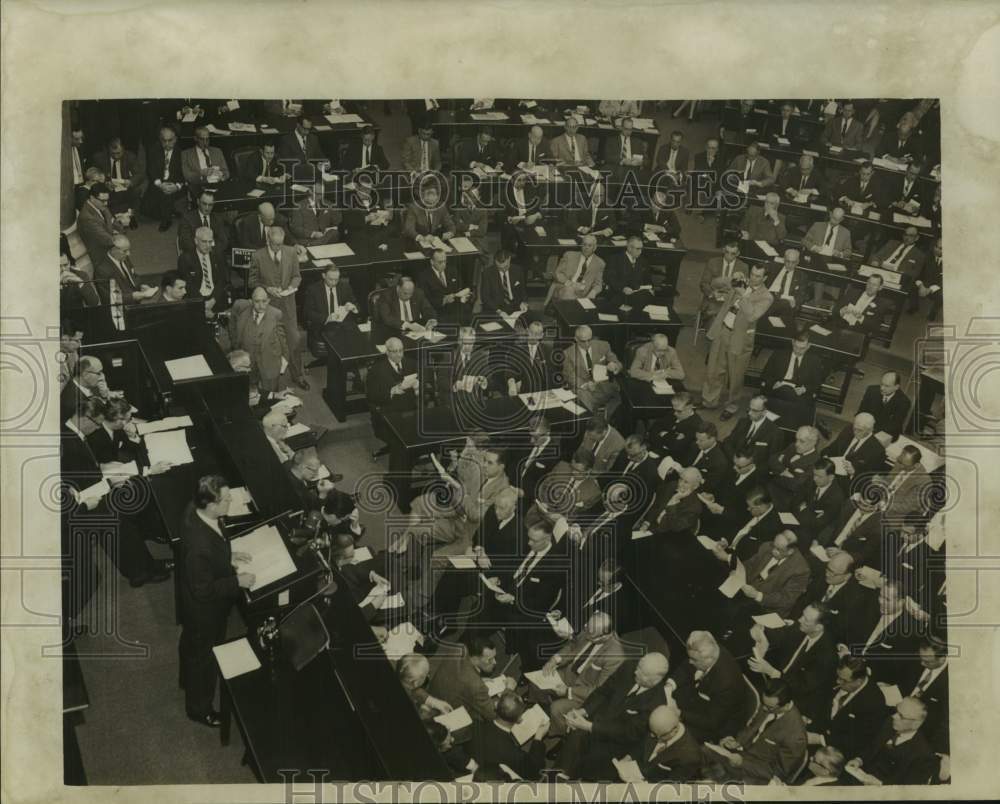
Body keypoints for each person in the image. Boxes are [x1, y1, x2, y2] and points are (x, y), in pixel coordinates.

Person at [178, 476, 255, 727]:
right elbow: (203, 590)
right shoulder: (199, 546)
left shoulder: (196, 511)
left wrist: (228, 556)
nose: (232, 500)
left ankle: (185, 679)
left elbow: (214, 543)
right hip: (204, 611)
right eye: (226, 499)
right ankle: (199, 709)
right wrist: (237, 582)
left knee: (191, 645)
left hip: (192, 604)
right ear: (211, 505)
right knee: (205, 657)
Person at [555, 653, 671, 781]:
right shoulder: (630, 666)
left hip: (615, 744)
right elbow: (604, 691)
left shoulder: (657, 704)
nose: (636, 672)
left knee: (589, 760)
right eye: (638, 667)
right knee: (574, 740)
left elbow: (628, 732)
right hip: (597, 721)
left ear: (656, 680)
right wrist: (583, 711)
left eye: (642, 673)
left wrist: (591, 727)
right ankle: (561, 776)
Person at [533, 612, 625, 736]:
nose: (586, 634)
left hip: (584, 690)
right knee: (537, 680)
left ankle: (559, 732)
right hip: (569, 673)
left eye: (590, 635)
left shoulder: (615, 656)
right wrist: (555, 659)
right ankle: (543, 710)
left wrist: (568, 691)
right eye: (586, 628)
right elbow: (572, 645)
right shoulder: (590, 629)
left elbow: (599, 691)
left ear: (605, 637)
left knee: (556, 709)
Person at [702, 263, 774, 420]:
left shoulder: (766, 296)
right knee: (714, 369)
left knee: (735, 376)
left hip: (740, 339)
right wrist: (732, 277)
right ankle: (709, 401)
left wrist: (743, 294)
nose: (753, 278)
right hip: (723, 331)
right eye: (752, 274)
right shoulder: (741, 282)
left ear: (765, 278)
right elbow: (714, 284)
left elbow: (752, 315)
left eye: (758, 276)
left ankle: (732, 406)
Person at [748, 603, 839, 725]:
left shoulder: (827, 657)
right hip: (779, 682)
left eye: (806, 619)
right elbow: (782, 635)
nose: (799, 620)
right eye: (802, 615)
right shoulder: (802, 628)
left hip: (797, 698)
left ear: (818, 627)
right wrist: (761, 631)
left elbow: (802, 686)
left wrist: (771, 672)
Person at [709, 682, 807, 784]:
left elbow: (777, 773)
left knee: (713, 780)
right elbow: (752, 728)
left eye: (769, 707)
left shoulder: (796, 735)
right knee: (703, 752)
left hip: (757, 774)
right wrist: (737, 742)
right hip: (741, 755)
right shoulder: (769, 705)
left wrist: (743, 763)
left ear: (786, 706)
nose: (764, 708)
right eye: (763, 703)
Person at [249, 226, 307, 390]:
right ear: (268, 240)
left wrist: (292, 286)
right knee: (267, 343)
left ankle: (298, 375)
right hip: (267, 307)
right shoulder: (257, 256)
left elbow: (297, 276)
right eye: (274, 244)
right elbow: (252, 282)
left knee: (294, 341)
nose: (278, 247)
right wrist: (267, 289)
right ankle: (264, 379)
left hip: (288, 307)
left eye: (280, 244)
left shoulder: (290, 252)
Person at [668, 631, 747, 743]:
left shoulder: (727, 683)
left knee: (675, 736)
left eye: (694, 660)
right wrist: (669, 685)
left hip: (717, 723)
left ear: (709, 659)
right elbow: (687, 666)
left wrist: (680, 714)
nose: (690, 661)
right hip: (702, 698)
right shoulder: (710, 649)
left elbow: (712, 722)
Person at [808, 656, 886, 762]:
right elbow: (822, 704)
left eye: (843, 680)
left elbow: (858, 740)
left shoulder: (874, 702)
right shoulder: (841, 676)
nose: (838, 681)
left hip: (840, 754)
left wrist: (821, 739)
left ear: (858, 681)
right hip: (817, 736)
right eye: (838, 677)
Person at [847, 697, 936, 785]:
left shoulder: (923, 755)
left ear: (916, 724)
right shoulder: (889, 724)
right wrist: (859, 760)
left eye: (901, 716)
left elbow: (908, 789)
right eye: (896, 711)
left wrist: (880, 784)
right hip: (862, 773)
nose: (894, 716)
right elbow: (873, 746)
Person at [427, 635, 513, 722]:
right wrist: (508, 690)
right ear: (475, 659)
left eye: (494, 657)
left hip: (433, 694)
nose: (495, 662)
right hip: (446, 714)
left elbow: (461, 675)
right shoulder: (476, 686)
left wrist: (478, 679)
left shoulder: (460, 648)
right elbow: (492, 714)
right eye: (489, 660)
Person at [469, 691, 549, 780]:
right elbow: (535, 771)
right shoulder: (514, 754)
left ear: (496, 705)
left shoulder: (477, 726)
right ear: (519, 720)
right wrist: (538, 736)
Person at [760, 328, 826, 426]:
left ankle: (779, 424)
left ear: (808, 346)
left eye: (802, 348)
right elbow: (765, 375)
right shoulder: (779, 354)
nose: (798, 351)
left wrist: (804, 389)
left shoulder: (814, 361)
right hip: (779, 388)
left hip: (798, 392)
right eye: (796, 347)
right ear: (792, 342)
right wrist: (773, 383)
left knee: (790, 404)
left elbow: (817, 384)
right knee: (789, 400)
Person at [228, 287, 289, 393]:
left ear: (268, 300)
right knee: (250, 392)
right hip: (248, 363)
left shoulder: (276, 314)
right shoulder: (242, 311)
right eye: (257, 302)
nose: (261, 305)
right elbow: (233, 327)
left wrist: (284, 360)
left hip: (269, 362)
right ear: (251, 301)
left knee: (270, 394)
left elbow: (283, 340)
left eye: (264, 301)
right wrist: (236, 348)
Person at [366, 337, 419, 456]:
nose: (399, 354)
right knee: (402, 437)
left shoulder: (411, 363)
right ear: (387, 352)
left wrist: (417, 387)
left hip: (410, 408)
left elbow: (425, 383)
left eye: (401, 350)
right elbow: (371, 396)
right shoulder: (376, 370)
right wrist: (392, 391)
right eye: (395, 351)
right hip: (389, 410)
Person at [560, 324, 623, 417]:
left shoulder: (603, 345)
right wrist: (585, 385)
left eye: (589, 340)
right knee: (584, 399)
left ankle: (606, 420)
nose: (587, 344)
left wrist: (615, 366)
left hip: (604, 385)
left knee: (621, 399)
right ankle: (593, 421)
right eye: (583, 341)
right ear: (576, 339)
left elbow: (617, 362)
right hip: (584, 389)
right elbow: (569, 375)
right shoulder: (568, 353)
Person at [631, 705, 704, 782]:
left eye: (656, 735)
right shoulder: (658, 728)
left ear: (674, 731)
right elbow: (643, 745)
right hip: (636, 770)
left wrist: (640, 782)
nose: (652, 736)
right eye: (651, 732)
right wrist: (629, 757)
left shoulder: (690, 757)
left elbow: (669, 788)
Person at [822, 412, 887, 493]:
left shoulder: (877, 451)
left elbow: (868, 479)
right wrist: (825, 456)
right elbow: (832, 448)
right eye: (854, 428)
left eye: (860, 430)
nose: (855, 432)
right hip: (830, 471)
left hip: (846, 484)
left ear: (870, 430)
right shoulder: (848, 430)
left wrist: (854, 472)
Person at [302, 264, 359, 356]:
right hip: (324, 324)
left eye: (336, 279)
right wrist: (327, 318)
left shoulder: (345, 286)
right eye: (330, 279)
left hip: (343, 323)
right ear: (323, 276)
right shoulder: (313, 290)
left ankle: (349, 362)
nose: (334, 283)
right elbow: (307, 313)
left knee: (357, 337)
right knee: (338, 340)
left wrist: (353, 307)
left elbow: (355, 304)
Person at [177, 226, 229, 316]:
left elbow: (222, 280)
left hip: (215, 296)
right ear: (196, 241)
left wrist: (213, 300)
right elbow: (188, 285)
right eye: (204, 242)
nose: (208, 246)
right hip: (196, 298)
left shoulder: (218, 255)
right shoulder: (185, 259)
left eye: (210, 242)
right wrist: (202, 304)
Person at [791, 458, 846, 543]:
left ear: (831, 477)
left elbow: (821, 523)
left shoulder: (837, 497)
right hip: (796, 521)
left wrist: (804, 509)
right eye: (814, 475)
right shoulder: (811, 482)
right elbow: (795, 501)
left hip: (813, 534)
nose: (815, 479)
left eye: (819, 476)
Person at [94, 233, 158, 305]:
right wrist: (134, 296)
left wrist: (141, 286)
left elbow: (133, 276)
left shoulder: (124, 258)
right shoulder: (102, 270)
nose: (128, 254)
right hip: (121, 310)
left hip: (135, 303)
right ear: (113, 249)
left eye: (128, 250)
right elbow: (110, 298)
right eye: (125, 251)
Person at [91, 136, 146, 219]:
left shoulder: (130, 157)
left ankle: (128, 212)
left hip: (126, 188)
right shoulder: (99, 158)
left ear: (123, 149)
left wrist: (131, 182)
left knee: (136, 191)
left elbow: (140, 174)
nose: (116, 156)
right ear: (108, 150)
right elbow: (92, 174)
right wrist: (104, 182)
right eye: (113, 154)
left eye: (118, 153)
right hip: (108, 189)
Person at [144, 126, 186, 231]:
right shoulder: (153, 150)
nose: (167, 144)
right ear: (160, 139)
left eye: (170, 141)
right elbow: (151, 170)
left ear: (175, 139)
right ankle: (170, 210)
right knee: (145, 210)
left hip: (176, 185)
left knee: (167, 194)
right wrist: (160, 184)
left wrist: (176, 186)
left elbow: (184, 174)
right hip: (159, 183)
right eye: (164, 141)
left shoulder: (182, 152)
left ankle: (166, 219)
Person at [721, 395, 781, 468]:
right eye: (749, 409)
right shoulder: (742, 422)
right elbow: (728, 442)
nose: (749, 413)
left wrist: (749, 462)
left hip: (753, 468)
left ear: (764, 412)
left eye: (754, 410)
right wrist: (734, 458)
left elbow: (771, 458)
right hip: (733, 461)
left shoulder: (774, 432)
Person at [77, 183, 126, 266]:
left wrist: (118, 230)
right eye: (103, 200)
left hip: (109, 246)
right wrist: (116, 233)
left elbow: (118, 227)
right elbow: (107, 240)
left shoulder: (100, 206)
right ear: (92, 198)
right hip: (102, 255)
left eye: (107, 200)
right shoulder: (87, 218)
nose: (106, 203)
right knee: (124, 249)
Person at [420, 248, 472, 326]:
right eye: (440, 262)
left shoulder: (452, 270)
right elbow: (424, 300)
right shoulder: (424, 277)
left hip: (456, 307)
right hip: (439, 311)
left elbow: (460, 287)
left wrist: (466, 295)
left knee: (467, 313)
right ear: (432, 262)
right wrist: (443, 300)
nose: (444, 264)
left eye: (445, 261)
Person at [504, 318, 554, 398]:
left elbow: (551, 374)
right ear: (527, 331)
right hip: (523, 389)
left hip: (542, 392)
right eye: (531, 332)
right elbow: (510, 371)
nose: (533, 336)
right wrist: (512, 383)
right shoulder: (517, 349)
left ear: (542, 335)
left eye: (537, 334)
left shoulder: (548, 350)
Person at [699, 242, 748, 321]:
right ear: (723, 250)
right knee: (716, 317)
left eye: (733, 254)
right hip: (713, 300)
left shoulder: (743, 267)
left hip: (731, 301)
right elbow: (704, 283)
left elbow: (743, 289)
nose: (729, 256)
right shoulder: (712, 262)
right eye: (727, 252)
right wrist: (712, 293)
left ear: (738, 254)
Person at [548, 234, 605, 303]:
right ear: (581, 245)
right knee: (569, 291)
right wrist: (568, 282)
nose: (586, 247)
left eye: (589, 245)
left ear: (594, 247)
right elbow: (558, 273)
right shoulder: (569, 255)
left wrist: (593, 292)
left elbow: (598, 284)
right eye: (584, 244)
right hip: (564, 287)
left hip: (583, 292)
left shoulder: (599, 263)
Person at [857, 371, 911, 442]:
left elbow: (894, 425)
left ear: (896, 387)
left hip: (887, 433)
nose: (882, 388)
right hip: (867, 427)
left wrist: (871, 433)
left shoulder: (904, 402)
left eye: (887, 386)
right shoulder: (871, 390)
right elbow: (861, 411)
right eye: (881, 384)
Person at [870, 226, 926, 291]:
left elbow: (915, 273)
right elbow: (877, 256)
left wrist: (901, 273)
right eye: (905, 235)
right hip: (880, 270)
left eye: (911, 236)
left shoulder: (919, 255)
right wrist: (875, 261)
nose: (907, 238)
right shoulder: (892, 243)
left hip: (895, 278)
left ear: (917, 238)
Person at [603, 236, 652, 307]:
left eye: (641, 249)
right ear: (629, 248)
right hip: (619, 295)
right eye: (638, 249)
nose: (640, 252)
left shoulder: (643, 261)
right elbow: (609, 278)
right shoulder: (615, 259)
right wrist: (623, 288)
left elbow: (648, 279)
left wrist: (650, 288)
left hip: (638, 297)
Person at [178, 189, 230, 256]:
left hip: (214, 254)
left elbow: (223, 241)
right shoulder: (187, 218)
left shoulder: (218, 219)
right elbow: (185, 242)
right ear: (198, 202)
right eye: (204, 204)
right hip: (194, 255)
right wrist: (202, 250)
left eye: (210, 205)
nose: (207, 208)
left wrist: (211, 251)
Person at [180, 126, 229, 195]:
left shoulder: (217, 151)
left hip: (218, 186)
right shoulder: (186, 154)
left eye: (207, 139)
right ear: (195, 138)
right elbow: (187, 176)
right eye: (202, 139)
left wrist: (221, 176)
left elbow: (226, 172)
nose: (205, 142)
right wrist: (201, 173)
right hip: (198, 188)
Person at [278, 115, 328, 179]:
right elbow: (289, 165)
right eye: (304, 129)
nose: (307, 132)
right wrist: (315, 168)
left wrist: (326, 163)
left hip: (312, 175)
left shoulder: (313, 138)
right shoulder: (286, 140)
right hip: (294, 176)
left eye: (309, 129)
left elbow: (320, 156)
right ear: (298, 125)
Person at [480, 250, 527, 317]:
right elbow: (485, 297)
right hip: (496, 308)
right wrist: (499, 311)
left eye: (505, 266)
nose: (503, 270)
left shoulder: (518, 270)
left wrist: (523, 303)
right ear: (495, 261)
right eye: (500, 268)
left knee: (534, 319)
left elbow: (523, 291)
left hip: (515, 306)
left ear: (509, 259)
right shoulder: (487, 273)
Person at [765, 248, 808, 316]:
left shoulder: (801, 276)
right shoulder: (774, 267)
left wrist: (795, 302)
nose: (790, 265)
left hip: (786, 304)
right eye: (788, 261)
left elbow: (802, 295)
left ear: (798, 262)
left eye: (793, 262)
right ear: (784, 259)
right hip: (769, 298)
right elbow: (761, 268)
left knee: (785, 304)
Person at [602, 116, 648, 181]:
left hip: (632, 168)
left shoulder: (638, 142)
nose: (628, 132)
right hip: (616, 166)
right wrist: (623, 161)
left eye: (630, 129)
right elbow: (607, 156)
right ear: (621, 127)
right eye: (626, 129)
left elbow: (647, 160)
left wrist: (641, 162)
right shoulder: (612, 140)